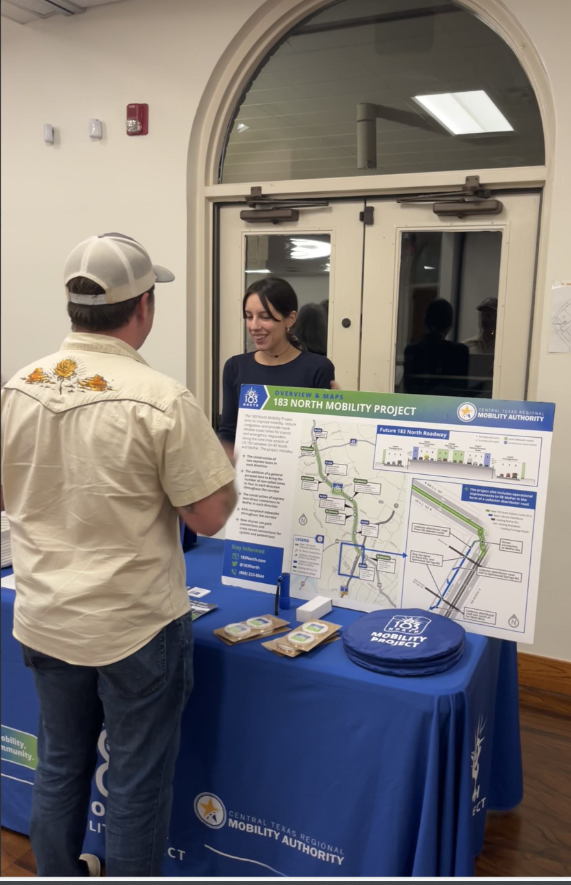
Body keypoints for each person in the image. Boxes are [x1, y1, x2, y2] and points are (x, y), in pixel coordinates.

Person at [0, 232, 236, 878]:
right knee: (133, 783)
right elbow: (209, 515)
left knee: (58, 765)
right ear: (144, 307)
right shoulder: (160, 398)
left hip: (46, 616)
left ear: (73, 307)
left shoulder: (17, 387)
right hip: (134, 625)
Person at [218, 277, 335, 456]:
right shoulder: (235, 367)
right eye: (249, 317)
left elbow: (322, 437)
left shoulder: (318, 368)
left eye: (265, 317)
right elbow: (228, 432)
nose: (254, 326)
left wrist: (340, 414)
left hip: (299, 476)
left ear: (290, 319)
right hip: (249, 477)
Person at [403, 298, 469, 396]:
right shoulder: (459, 351)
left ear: (425, 322)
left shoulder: (412, 350)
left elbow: (408, 388)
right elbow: (462, 390)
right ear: (449, 326)